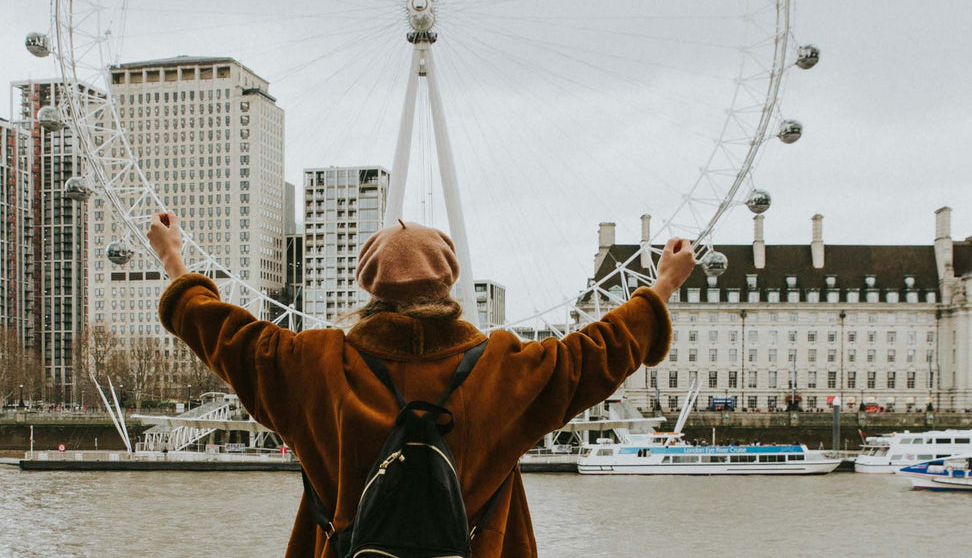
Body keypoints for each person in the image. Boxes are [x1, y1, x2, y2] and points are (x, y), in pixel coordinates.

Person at [149, 214, 695, 557]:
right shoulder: (505, 367)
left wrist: (174, 258)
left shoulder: (310, 363)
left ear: (369, 286)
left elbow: (220, 331)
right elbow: (597, 352)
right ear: (449, 280)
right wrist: (663, 286)